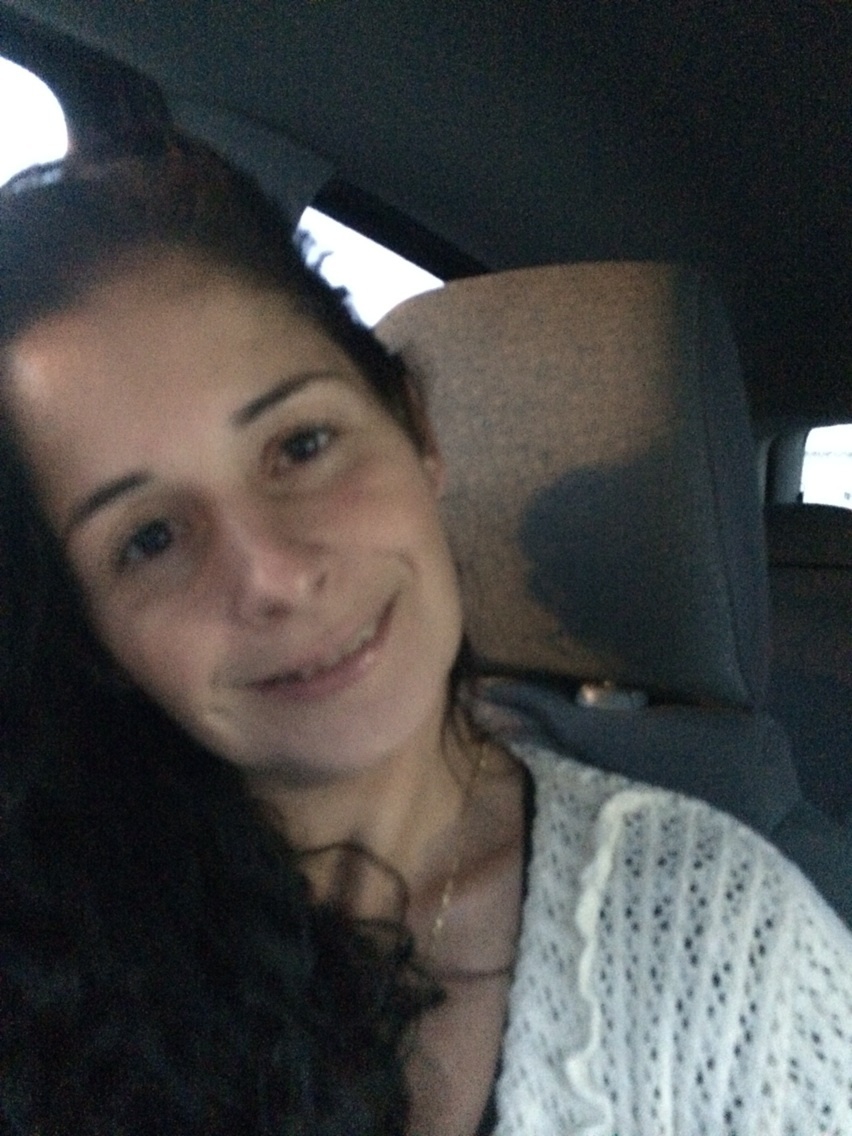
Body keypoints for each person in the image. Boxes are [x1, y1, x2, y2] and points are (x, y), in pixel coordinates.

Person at [0, 133, 849, 1136]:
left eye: (301, 444)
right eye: (148, 539)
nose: (275, 576)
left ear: (416, 427)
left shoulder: (727, 949)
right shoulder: (49, 931)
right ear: (90, 631)